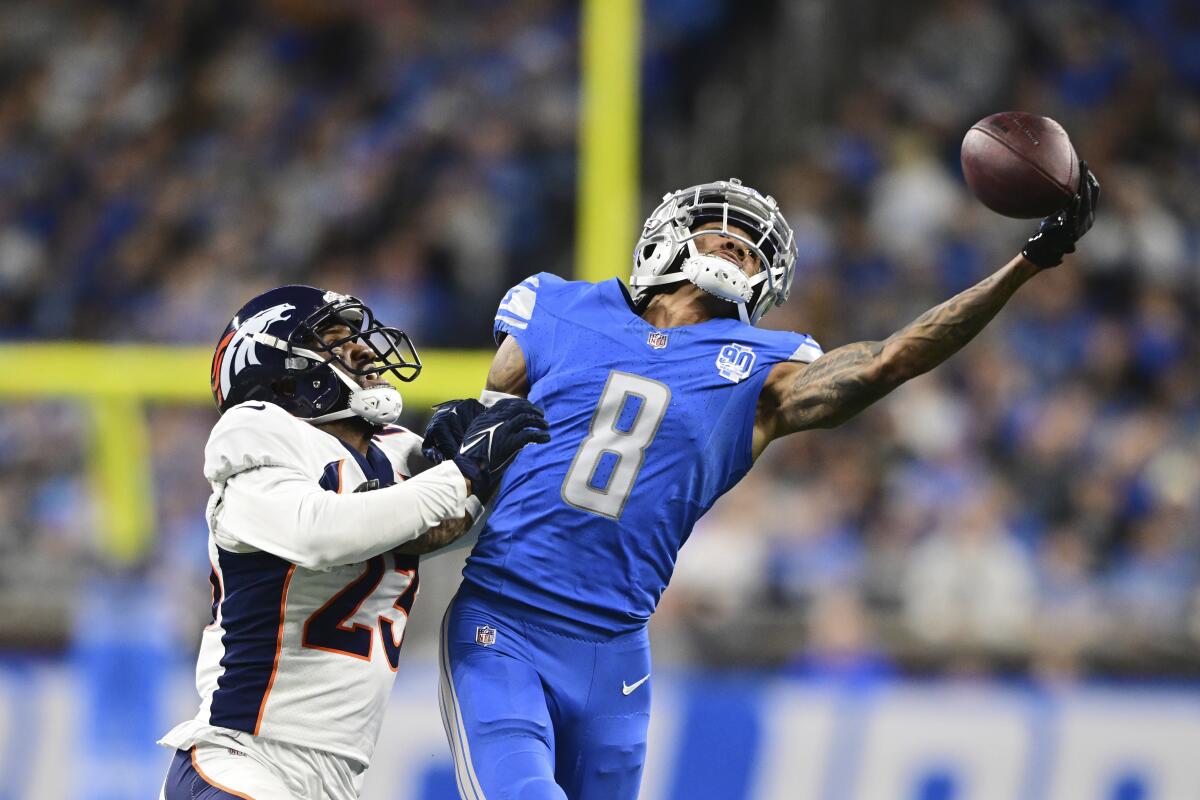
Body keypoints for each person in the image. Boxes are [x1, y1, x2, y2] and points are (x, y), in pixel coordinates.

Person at [423, 171, 1100, 799]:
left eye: (751, 250)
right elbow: (473, 465)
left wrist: (1026, 264)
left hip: (615, 647)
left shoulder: (761, 371)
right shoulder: (556, 308)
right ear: (666, 238)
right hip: (504, 619)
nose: (737, 250)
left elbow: (891, 360)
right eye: (722, 234)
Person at [157, 285, 549, 800]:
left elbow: (442, 526)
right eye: (335, 340)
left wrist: (484, 458)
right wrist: (461, 473)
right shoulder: (256, 432)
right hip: (242, 761)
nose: (363, 349)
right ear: (279, 371)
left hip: (332, 782)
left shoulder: (389, 452)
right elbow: (319, 532)